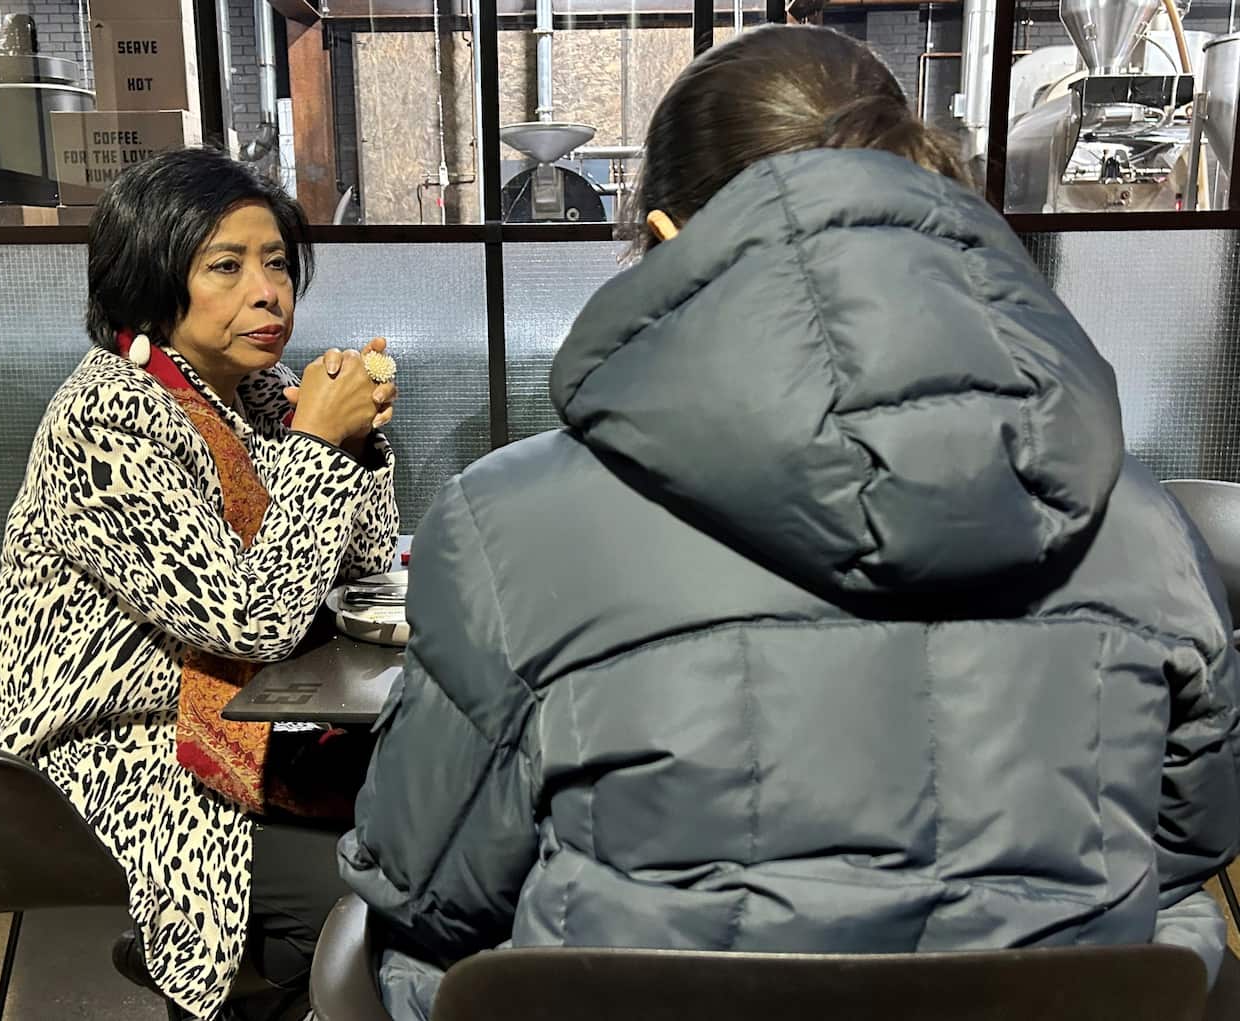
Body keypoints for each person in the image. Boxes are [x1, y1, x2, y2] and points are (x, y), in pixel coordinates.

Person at [339, 25, 1240, 1020]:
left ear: (666, 244)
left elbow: (427, 885)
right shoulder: (1138, 519)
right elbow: (1190, 838)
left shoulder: (508, 525)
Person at [0, 147, 400, 1020]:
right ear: (152, 277)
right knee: (368, 904)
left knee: (423, 823)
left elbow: (365, 569)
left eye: (276, 262)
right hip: (96, 759)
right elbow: (252, 618)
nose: (268, 291)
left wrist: (357, 442)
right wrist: (317, 448)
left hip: (229, 722)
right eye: (226, 266)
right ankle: (237, 977)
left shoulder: (260, 397)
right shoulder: (108, 413)